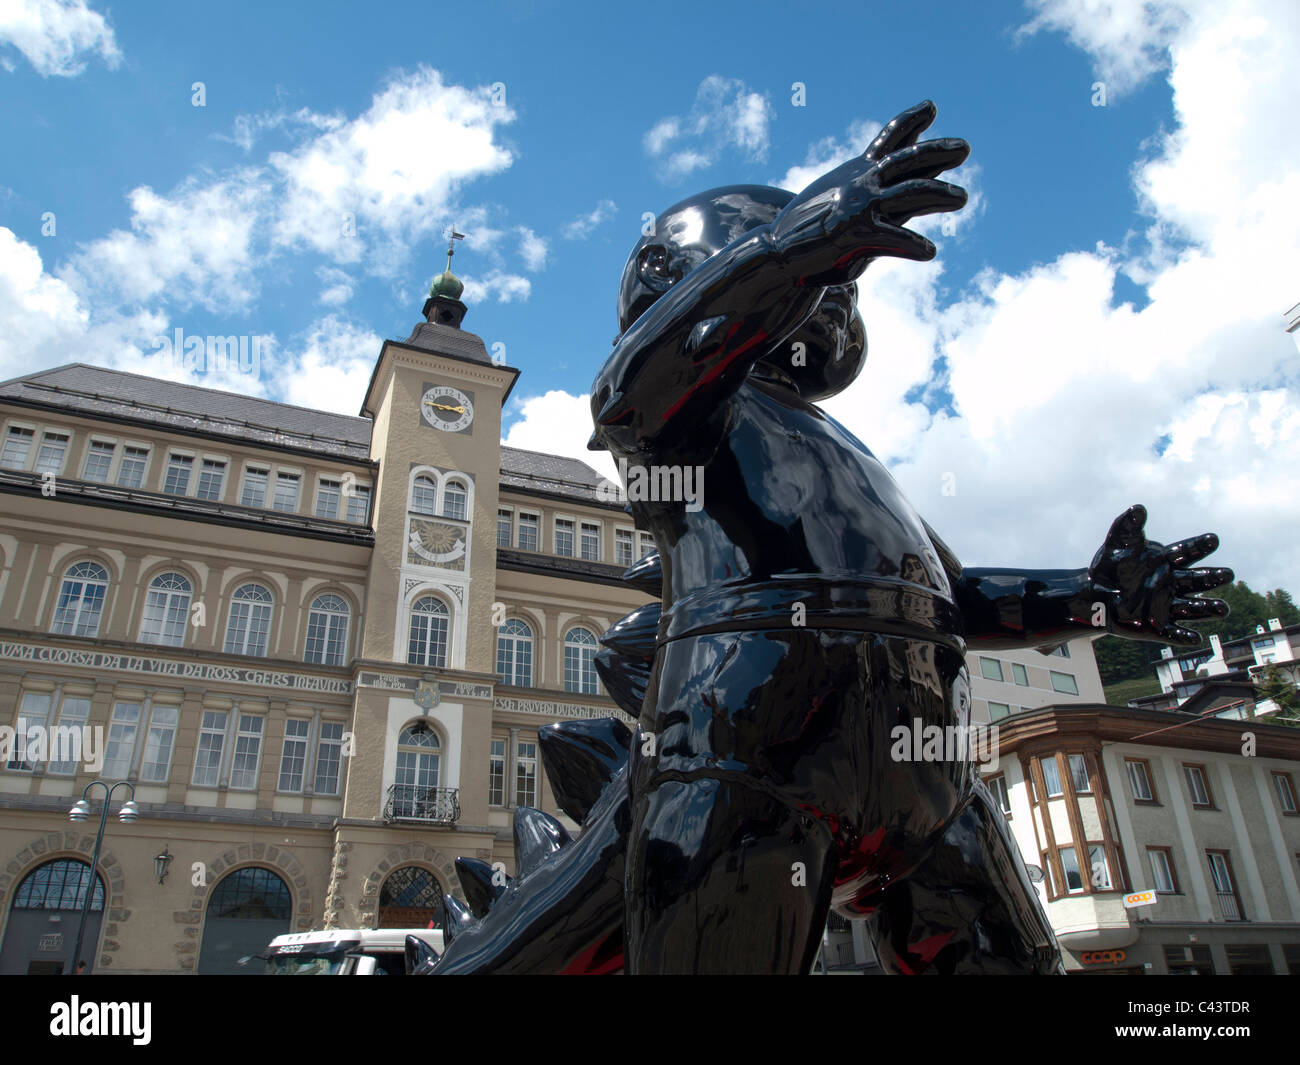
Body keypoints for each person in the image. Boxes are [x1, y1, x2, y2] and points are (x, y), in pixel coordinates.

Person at [586, 100, 1232, 974]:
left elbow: (954, 597)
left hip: (930, 784)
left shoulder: (850, 453)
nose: (834, 294)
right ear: (669, 273)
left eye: (839, 278)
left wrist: (1096, 596)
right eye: (821, 263)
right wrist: (792, 249)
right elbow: (630, 387)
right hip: (745, 751)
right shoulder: (680, 417)